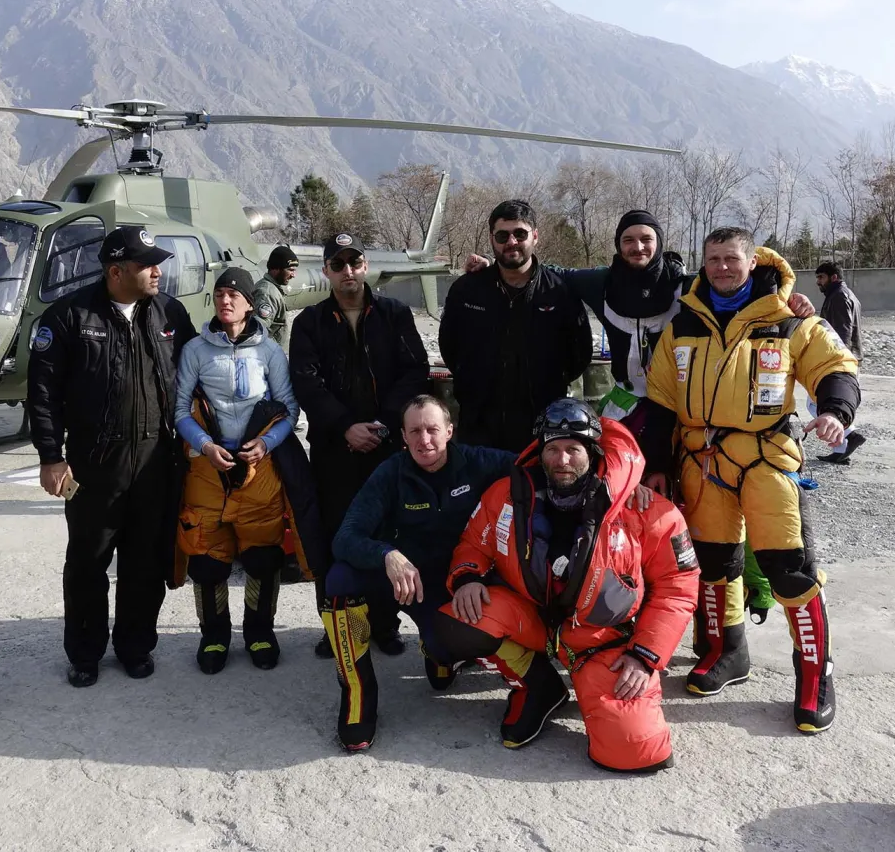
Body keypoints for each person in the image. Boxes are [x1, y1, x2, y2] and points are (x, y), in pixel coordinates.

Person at [639, 227, 860, 734]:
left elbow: (835, 367)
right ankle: (726, 651)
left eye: (731, 258)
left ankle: (814, 673)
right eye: (712, 258)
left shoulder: (789, 321)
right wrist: (657, 464)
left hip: (768, 458)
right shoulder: (684, 325)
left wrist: (835, 411)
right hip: (702, 462)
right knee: (714, 564)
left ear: (752, 260)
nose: (720, 267)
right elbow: (659, 402)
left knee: (791, 570)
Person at [434, 399, 699, 772]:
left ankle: (600, 691)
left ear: (593, 452)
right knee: (454, 624)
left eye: (573, 449)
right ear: (540, 453)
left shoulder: (644, 508)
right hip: (536, 621)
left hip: (604, 641)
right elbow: (473, 544)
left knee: (635, 750)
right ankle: (540, 686)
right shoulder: (508, 495)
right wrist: (466, 577)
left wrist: (645, 656)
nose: (562, 460)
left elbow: (679, 585)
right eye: (553, 449)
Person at [27, 226, 197, 688]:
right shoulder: (68, 316)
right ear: (117, 270)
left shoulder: (171, 313)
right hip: (94, 463)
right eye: (148, 264)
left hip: (156, 461)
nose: (158, 271)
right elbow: (43, 395)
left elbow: (199, 374)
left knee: (145, 562)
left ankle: (135, 646)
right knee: (88, 562)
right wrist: (50, 457)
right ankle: (85, 653)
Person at [462, 209, 814, 428]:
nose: (638, 247)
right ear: (618, 246)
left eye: (646, 239)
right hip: (624, 402)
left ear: (659, 243)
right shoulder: (600, 283)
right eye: (628, 240)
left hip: (681, 406)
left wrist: (785, 299)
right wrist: (496, 265)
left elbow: (736, 282)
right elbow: (549, 273)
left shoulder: (687, 286)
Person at [320, 395, 517, 751]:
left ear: (449, 431)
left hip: (447, 582)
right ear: (403, 437)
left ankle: (438, 654)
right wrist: (387, 554)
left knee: (445, 659)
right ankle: (357, 693)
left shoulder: (478, 462)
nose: (424, 440)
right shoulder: (390, 472)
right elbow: (345, 537)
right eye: (415, 431)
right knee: (338, 582)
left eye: (432, 430)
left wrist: (624, 483)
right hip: (397, 576)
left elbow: (545, 467)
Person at [291, 231, 430, 658]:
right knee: (333, 535)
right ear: (327, 271)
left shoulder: (394, 314)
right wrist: (346, 426)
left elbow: (414, 371)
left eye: (355, 262)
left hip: (386, 448)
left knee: (386, 531)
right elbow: (306, 383)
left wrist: (383, 425)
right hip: (334, 450)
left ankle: (384, 625)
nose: (347, 271)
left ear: (365, 266)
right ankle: (338, 626)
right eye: (338, 264)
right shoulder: (309, 322)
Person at [175, 267, 304, 673]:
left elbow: (288, 408)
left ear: (250, 303)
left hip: (258, 469)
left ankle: (259, 632)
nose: (225, 300)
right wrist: (205, 445)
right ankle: (213, 637)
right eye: (219, 294)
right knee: (207, 560)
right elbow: (179, 410)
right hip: (207, 469)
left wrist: (266, 444)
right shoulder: (196, 350)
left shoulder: (269, 352)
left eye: (234, 294)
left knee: (263, 558)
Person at [439, 199, 591, 453]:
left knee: (534, 491)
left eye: (520, 234)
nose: (511, 242)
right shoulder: (467, 289)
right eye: (502, 235)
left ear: (535, 236)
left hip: (540, 424)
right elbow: (449, 346)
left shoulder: (559, 292)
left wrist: (549, 383)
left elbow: (580, 354)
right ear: (492, 239)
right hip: (478, 423)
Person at [812, 261, 866, 464]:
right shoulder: (846, 294)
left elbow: (842, 331)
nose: (818, 282)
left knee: (820, 401)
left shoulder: (839, 297)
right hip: (847, 358)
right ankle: (843, 446)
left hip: (839, 360)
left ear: (833, 277)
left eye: (821, 277)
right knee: (828, 402)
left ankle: (850, 436)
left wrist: (833, 359)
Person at [253, 244, 299, 354]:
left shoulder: (273, 290)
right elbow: (257, 334)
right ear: (276, 269)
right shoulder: (267, 293)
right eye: (290, 270)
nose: (294, 275)